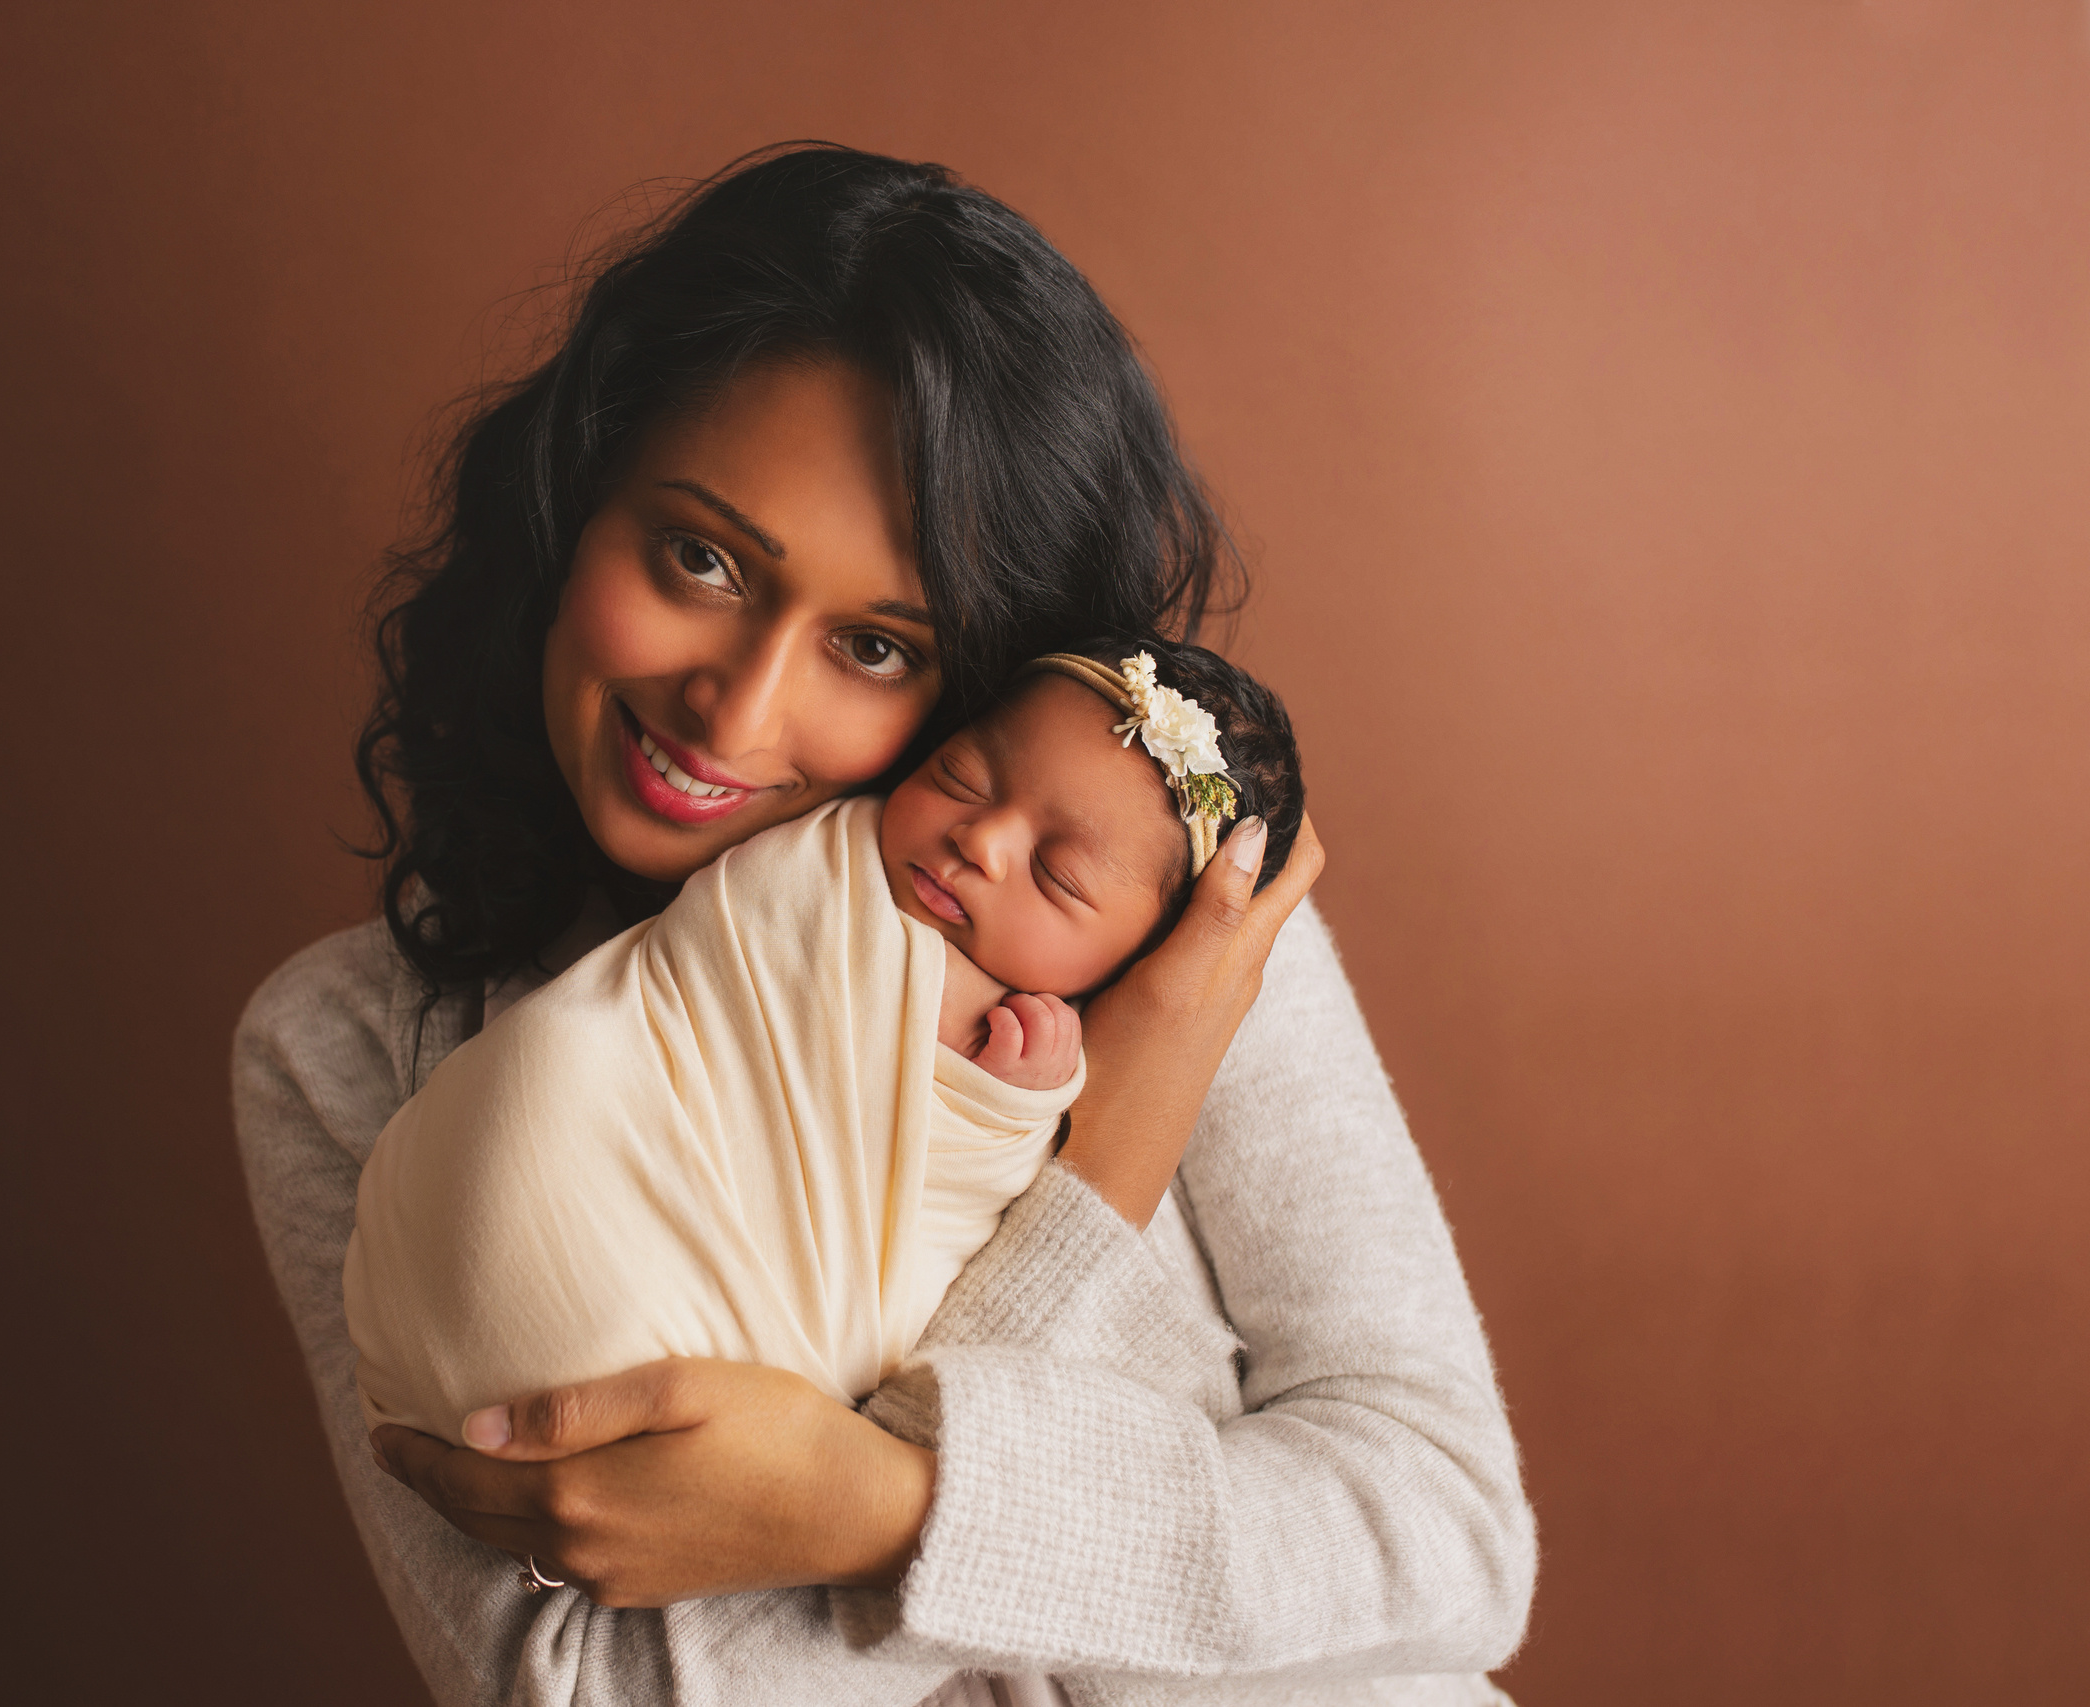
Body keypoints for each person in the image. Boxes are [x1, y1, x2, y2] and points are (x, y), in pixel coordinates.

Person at [233, 143, 1534, 1705]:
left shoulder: (1151, 916)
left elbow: (1452, 1540)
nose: (739, 706)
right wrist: (1099, 1174)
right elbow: (598, 1695)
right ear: (572, 505)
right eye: (699, 555)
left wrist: (882, 1504)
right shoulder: (346, 1052)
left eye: (873, 643)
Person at [345, 641, 1304, 1450]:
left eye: (1056, 875)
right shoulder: (824, 859)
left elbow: (927, 1216)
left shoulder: (1210, 1002)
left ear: (1158, 953)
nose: (980, 840)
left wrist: (1004, 1113)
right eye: (961, 776)